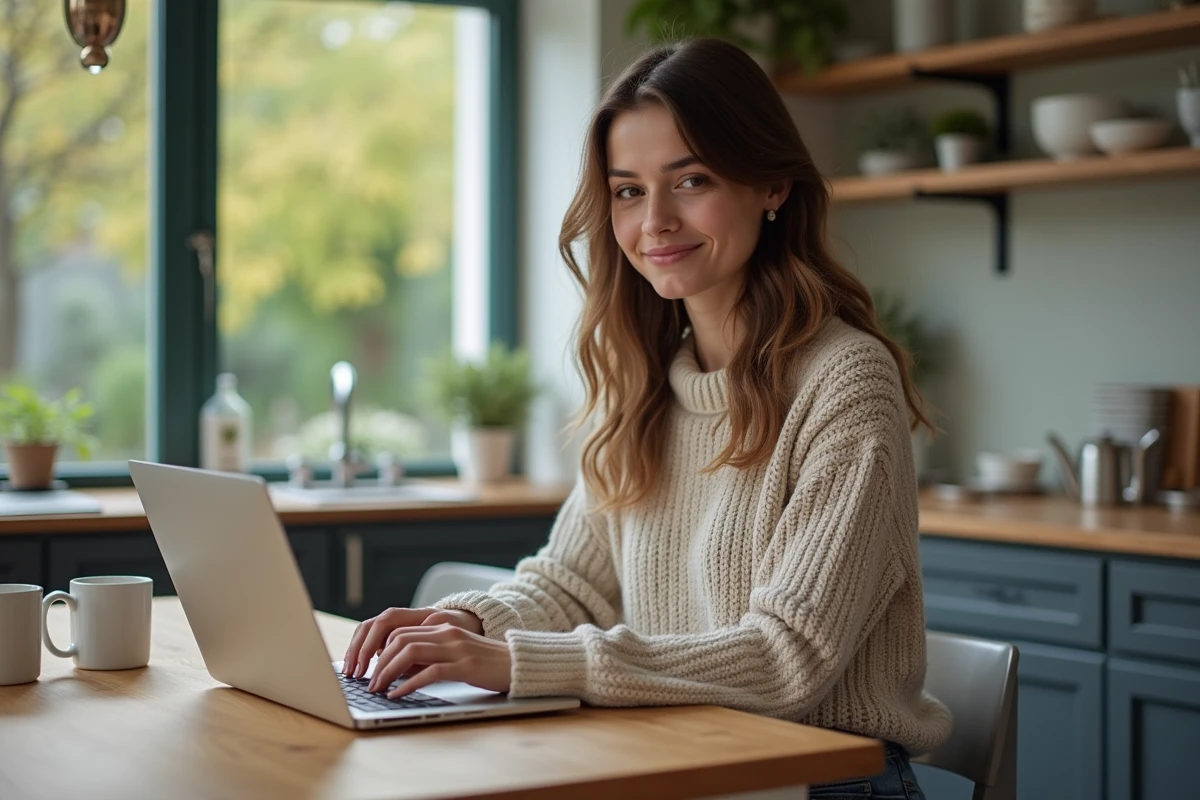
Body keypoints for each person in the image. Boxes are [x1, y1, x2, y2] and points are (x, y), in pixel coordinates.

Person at [342, 37, 951, 797]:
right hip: (682, 758)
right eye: (628, 190)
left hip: (820, 780)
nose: (654, 220)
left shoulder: (845, 381)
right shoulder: (644, 380)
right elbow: (571, 586)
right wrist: (464, 626)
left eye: (690, 180)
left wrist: (521, 663)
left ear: (771, 185)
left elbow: (787, 658)